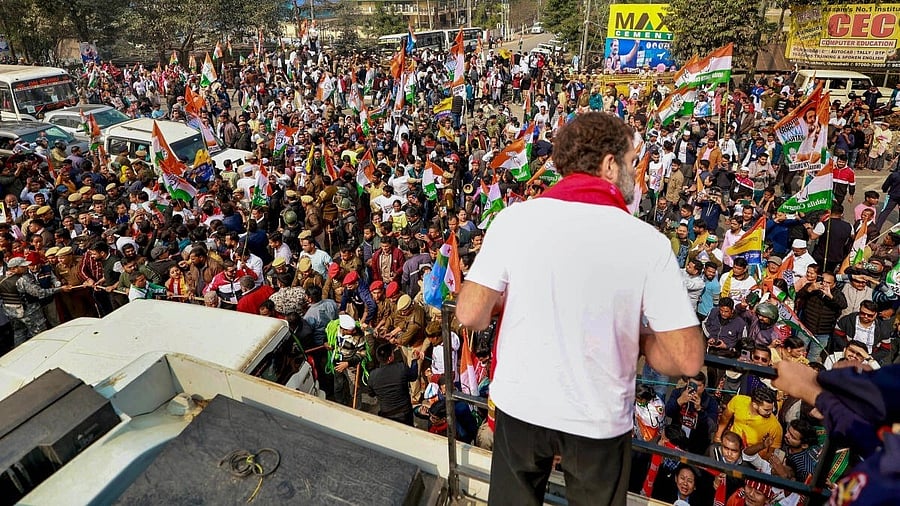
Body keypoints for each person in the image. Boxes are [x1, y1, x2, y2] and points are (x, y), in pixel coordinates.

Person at [456, 112, 704, 506]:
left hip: (520, 407)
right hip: (598, 422)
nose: (633, 172)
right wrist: (640, 339)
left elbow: (470, 314)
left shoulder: (514, 219)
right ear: (609, 165)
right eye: (630, 162)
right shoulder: (647, 242)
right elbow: (687, 359)